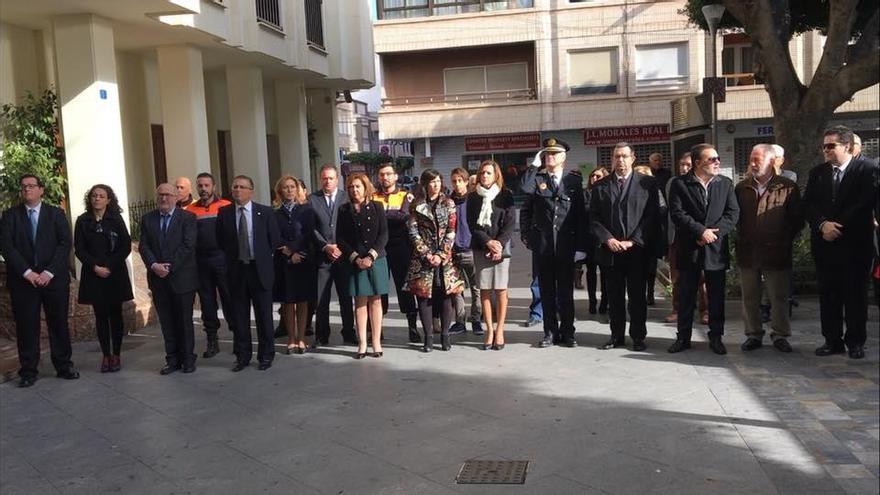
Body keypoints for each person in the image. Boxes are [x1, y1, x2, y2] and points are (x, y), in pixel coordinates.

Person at [804, 125, 879, 359]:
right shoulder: (817, 172)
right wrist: (822, 224)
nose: (825, 151)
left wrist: (837, 225)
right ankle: (832, 340)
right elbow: (808, 204)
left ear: (847, 146)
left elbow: (865, 203)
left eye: (830, 146)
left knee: (855, 295)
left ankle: (855, 341)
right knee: (829, 294)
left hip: (855, 244)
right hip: (825, 244)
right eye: (823, 146)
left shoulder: (867, 169)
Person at [0, 174, 79, 387]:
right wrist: (28, 272)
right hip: (24, 282)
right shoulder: (9, 216)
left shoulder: (56, 214)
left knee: (58, 323)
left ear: (41, 190)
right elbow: (7, 247)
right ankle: (28, 370)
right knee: (26, 326)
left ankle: (64, 365)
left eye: (32, 186)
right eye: (24, 186)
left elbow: (65, 244)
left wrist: (48, 272)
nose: (27, 190)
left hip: (53, 280)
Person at [590, 143, 666, 352]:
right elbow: (593, 217)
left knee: (637, 297)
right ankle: (616, 336)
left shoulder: (648, 184)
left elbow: (652, 216)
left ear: (632, 158)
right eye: (616, 156)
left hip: (637, 251)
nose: (620, 160)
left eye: (624, 156)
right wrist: (607, 239)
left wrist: (633, 240)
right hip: (611, 251)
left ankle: (638, 336)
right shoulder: (600, 186)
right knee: (614, 296)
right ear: (612, 159)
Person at [668, 143, 740, 355]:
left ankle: (716, 337)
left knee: (716, 296)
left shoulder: (725, 183)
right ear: (697, 162)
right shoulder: (680, 184)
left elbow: (732, 214)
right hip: (690, 247)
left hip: (715, 249)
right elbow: (678, 214)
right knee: (686, 295)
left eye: (718, 158)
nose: (717, 162)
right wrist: (700, 232)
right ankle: (683, 337)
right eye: (712, 159)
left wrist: (712, 235)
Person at [520, 137, 589, 348]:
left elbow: (581, 217)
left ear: (563, 158)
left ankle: (568, 332)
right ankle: (549, 332)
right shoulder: (537, 179)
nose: (550, 156)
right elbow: (524, 192)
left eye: (554, 153)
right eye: (547, 153)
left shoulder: (574, 182)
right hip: (544, 246)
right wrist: (534, 164)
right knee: (547, 291)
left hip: (566, 246)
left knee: (566, 293)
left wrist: (581, 247)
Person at [735, 144, 803, 353]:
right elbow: (735, 216)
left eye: (757, 159)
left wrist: (782, 239)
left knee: (778, 296)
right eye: (751, 159)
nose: (752, 164)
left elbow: (797, 220)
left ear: (772, 162)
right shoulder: (742, 187)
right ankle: (753, 334)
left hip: (777, 251)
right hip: (748, 251)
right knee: (750, 296)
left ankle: (780, 334)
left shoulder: (787, 187)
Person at [216, 175, 281, 371]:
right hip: (237, 271)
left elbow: (274, 240)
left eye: (242, 187)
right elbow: (221, 241)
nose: (237, 190)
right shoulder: (224, 213)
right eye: (235, 187)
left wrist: (262, 258)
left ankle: (266, 355)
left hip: (259, 269)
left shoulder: (265, 212)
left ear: (251, 191)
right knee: (239, 316)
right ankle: (242, 356)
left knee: (264, 315)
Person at [139, 183, 199, 374]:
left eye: (167, 194)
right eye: (160, 195)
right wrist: (154, 265)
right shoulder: (148, 219)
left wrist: (170, 267)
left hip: (181, 278)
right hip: (158, 279)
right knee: (166, 321)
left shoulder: (187, 218)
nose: (163, 198)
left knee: (184, 321)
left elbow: (188, 246)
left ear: (175, 197)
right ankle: (172, 359)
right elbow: (144, 245)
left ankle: (188, 359)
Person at [74, 184, 133, 373]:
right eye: (94, 196)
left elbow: (125, 245)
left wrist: (109, 266)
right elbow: (79, 248)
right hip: (94, 274)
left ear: (108, 199)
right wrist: (95, 267)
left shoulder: (115, 219)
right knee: (100, 316)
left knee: (115, 315)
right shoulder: (83, 221)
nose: (97, 199)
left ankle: (116, 354)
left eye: (101, 196)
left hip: (114, 273)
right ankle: (105, 355)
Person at [407, 169, 464, 352]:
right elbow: (413, 231)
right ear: (425, 184)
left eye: (438, 181)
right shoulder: (416, 204)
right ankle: (429, 337)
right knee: (423, 297)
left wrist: (441, 254)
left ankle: (445, 335)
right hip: (422, 258)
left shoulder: (448, 203)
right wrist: (426, 253)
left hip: (445, 259)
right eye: (432, 182)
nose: (436, 185)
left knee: (447, 295)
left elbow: (451, 230)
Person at [337, 173, 389, 359]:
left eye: (357, 186)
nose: (354, 190)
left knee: (375, 301)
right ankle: (362, 344)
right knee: (360, 302)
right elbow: (340, 238)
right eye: (351, 187)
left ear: (365, 187)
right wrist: (355, 258)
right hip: (355, 261)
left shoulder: (377, 207)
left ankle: (376, 342)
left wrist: (371, 256)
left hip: (376, 259)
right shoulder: (344, 210)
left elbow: (384, 235)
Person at [185, 172, 235, 358]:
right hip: (201, 262)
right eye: (200, 186)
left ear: (213, 186)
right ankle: (212, 340)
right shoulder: (189, 210)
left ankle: (238, 337)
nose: (203, 189)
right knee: (207, 303)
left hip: (222, 260)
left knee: (229, 298)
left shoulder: (226, 206)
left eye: (207, 185)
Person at [467, 160, 515, 350]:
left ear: (496, 175)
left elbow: (510, 223)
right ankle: (489, 330)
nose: (484, 176)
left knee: (501, 290)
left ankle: (500, 330)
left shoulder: (506, 195)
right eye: (482, 173)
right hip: (481, 247)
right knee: (484, 290)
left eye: (488, 173)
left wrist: (499, 245)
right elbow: (473, 225)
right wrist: (488, 242)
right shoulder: (473, 197)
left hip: (501, 249)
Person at [308, 164, 357, 346]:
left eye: (330, 178)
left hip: (344, 257)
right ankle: (322, 335)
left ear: (337, 179)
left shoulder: (347, 198)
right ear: (320, 179)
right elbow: (310, 228)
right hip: (323, 258)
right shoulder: (312, 199)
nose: (327, 181)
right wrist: (325, 246)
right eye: (324, 178)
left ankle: (348, 332)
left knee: (346, 297)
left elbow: (352, 226)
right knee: (322, 299)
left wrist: (341, 247)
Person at [372, 162, 419, 342]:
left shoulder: (405, 195)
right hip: (379, 248)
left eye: (389, 174)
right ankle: (377, 328)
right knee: (379, 287)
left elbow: (404, 216)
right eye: (382, 174)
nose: (385, 177)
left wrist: (381, 216)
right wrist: (391, 216)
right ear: (378, 177)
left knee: (404, 287)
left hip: (401, 247)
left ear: (396, 176)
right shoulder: (373, 196)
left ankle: (412, 327)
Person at [272, 175, 317, 355]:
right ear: (280, 191)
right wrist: (289, 252)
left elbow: (308, 234)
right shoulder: (274, 213)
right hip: (283, 261)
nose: (289, 190)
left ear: (297, 189)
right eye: (285, 187)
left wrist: (298, 252)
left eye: (292, 186)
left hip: (303, 260)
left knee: (303, 301)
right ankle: (290, 338)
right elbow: (274, 236)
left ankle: (301, 338)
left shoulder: (306, 210)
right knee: (288, 301)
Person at [664, 153, 709, 325]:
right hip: (676, 238)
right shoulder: (673, 183)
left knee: (703, 278)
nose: (684, 168)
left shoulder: (705, 183)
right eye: (681, 164)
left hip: (698, 237)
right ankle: (677, 309)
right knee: (677, 277)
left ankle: (705, 310)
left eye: (688, 164)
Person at [449, 167, 483, 336]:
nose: (457, 184)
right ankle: (460, 321)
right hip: (454, 251)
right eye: (454, 181)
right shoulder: (448, 202)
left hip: (472, 250)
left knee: (476, 288)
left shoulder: (474, 200)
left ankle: (476, 320)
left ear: (466, 181)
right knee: (457, 288)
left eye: (460, 181)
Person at [584, 166, 609, 314]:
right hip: (589, 240)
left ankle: (604, 301)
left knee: (605, 274)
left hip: (604, 240)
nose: (594, 178)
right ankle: (592, 301)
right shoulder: (585, 194)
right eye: (592, 176)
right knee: (591, 272)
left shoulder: (606, 192)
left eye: (598, 176)